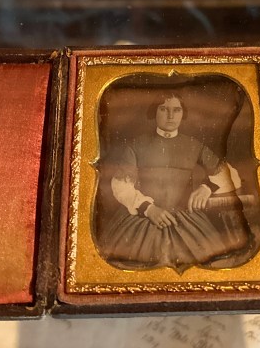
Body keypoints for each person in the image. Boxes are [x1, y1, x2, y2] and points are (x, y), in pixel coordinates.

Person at [97, 92, 250, 270]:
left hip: (186, 219)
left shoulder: (194, 145)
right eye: (164, 109)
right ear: (154, 112)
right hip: (143, 218)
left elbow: (230, 174)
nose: (170, 115)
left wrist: (207, 187)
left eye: (176, 110)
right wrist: (149, 209)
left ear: (182, 114)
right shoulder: (136, 145)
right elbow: (121, 185)